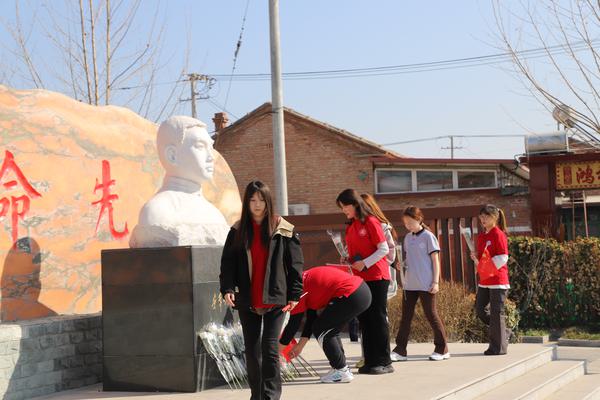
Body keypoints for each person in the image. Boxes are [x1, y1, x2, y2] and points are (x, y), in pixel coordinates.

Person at [219, 180, 304, 400]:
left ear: (268, 202)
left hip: (276, 297)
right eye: (252, 200)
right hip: (248, 298)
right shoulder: (237, 230)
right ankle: (256, 395)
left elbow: (296, 264)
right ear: (246, 203)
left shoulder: (283, 228)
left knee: (270, 348)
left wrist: (295, 294)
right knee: (252, 350)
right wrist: (227, 288)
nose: (257, 205)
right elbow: (227, 263)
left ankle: (271, 396)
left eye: (261, 200)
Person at [130, 115, 230, 247]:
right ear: (172, 155)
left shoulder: (215, 214)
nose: (211, 157)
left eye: (210, 147)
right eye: (200, 146)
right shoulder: (157, 212)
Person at [279, 266, 372, 383]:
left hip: (352, 294)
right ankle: (340, 367)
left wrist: (276, 352)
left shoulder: (297, 289)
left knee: (323, 328)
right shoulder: (304, 281)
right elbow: (311, 318)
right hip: (360, 291)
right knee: (329, 328)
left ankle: (341, 370)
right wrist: (300, 345)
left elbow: (293, 324)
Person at [336, 188, 393, 375]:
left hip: (377, 276)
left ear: (354, 204)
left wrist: (365, 263)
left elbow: (383, 249)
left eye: (345, 206)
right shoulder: (351, 225)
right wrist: (348, 259)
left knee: (377, 318)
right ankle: (370, 361)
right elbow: (356, 252)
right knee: (365, 319)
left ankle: (385, 362)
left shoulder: (371, 221)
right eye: (341, 207)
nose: (344, 210)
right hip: (360, 278)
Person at [391, 206, 449, 362]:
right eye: (405, 223)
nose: (408, 226)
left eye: (410, 222)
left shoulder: (429, 237)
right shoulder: (407, 238)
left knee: (431, 315)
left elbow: (435, 261)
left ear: (419, 219)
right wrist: (402, 264)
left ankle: (442, 349)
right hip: (409, 284)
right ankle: (400, 350)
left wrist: (435, 282)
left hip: (426, 283)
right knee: (406, 317)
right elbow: (411, 259)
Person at [470, 204, 510, 356]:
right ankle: (503, 332)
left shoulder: (498, 234)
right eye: (481, 217)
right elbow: (483, 260)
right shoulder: (481, 236)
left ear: (495, 218)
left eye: (486, 216)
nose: (483, 219)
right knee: (480, 310)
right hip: (485, 280)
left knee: (496, 313)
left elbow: (503, 256)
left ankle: (498, 348)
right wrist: (476, 259)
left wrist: (488, 267)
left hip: (498, 281)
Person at [360, 193, 398, 298]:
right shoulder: (356, 227)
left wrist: (369, 263)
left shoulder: (382, 226)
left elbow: (389, 253)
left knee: (378, 307)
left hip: (379, 276)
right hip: (362, 276)